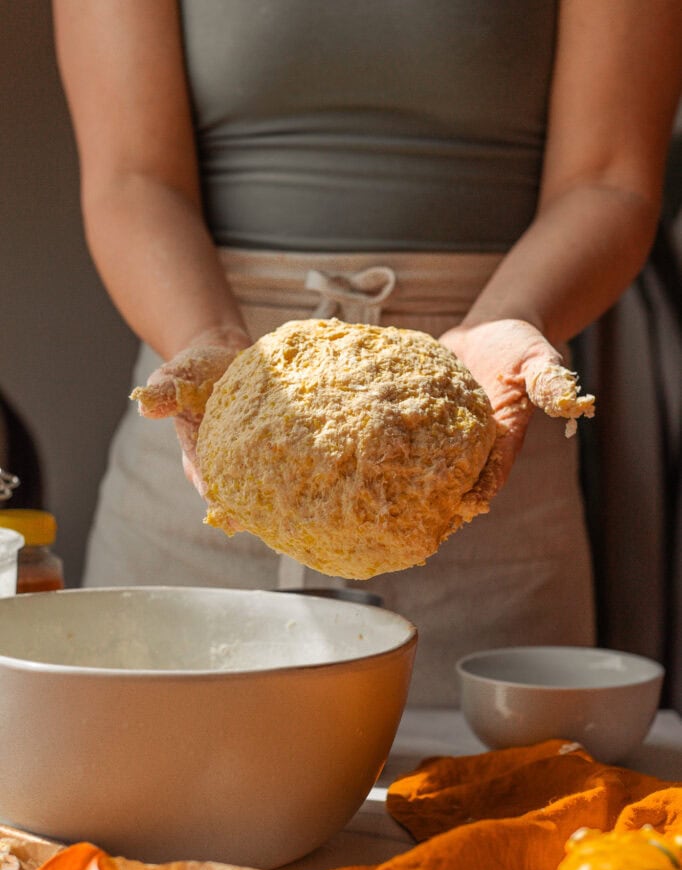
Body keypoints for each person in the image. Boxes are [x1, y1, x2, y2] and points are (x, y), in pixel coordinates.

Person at [52, 1, 682, 705]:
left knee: (502, 801)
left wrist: (506, 319)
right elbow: (131, 178)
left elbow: (609, 178)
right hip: (216, 405)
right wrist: (205, 339)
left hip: (484, 433)